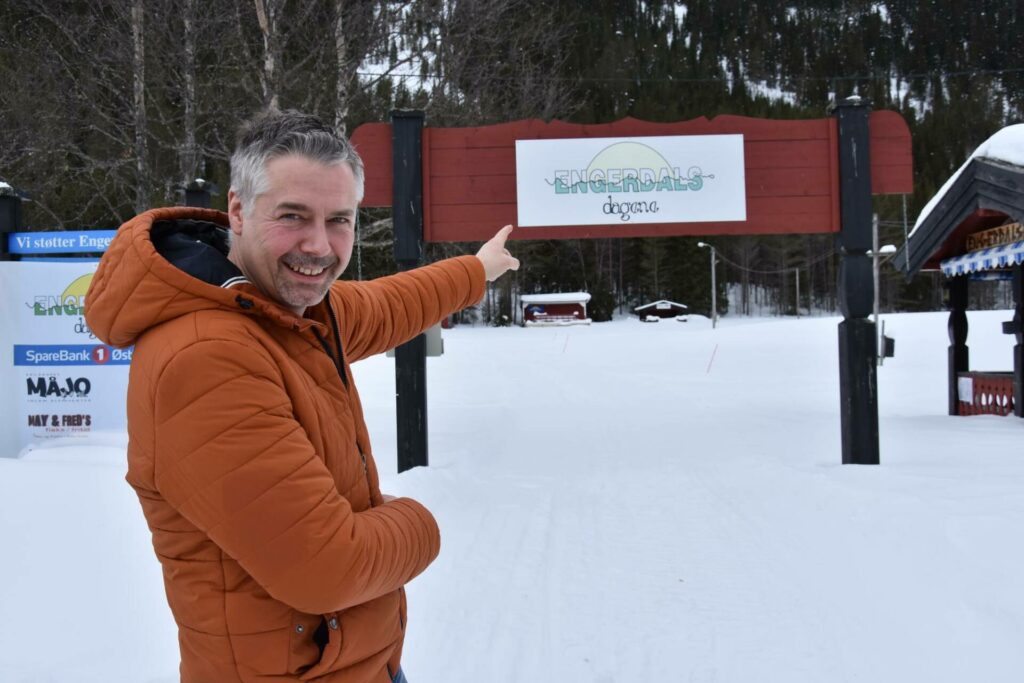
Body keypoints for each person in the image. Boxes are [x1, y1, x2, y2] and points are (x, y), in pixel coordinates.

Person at [85, 108, 519, 683]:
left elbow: (390, 304)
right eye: (293, 216)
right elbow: (328, 569)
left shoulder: (288, 308)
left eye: (339, 219)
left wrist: (476, 270)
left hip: (353, 662)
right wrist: (420, 523)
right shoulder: (205, 357)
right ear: (238, 211)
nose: (319, 245)